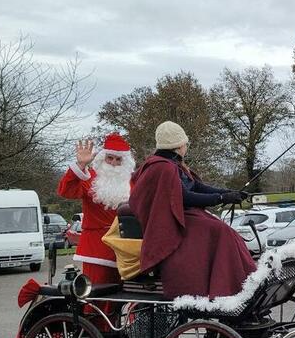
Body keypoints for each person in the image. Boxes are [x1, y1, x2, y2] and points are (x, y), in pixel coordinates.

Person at [129, 121, 256, 299]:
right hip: (173, 221)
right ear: (179, 145)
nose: (186, 146)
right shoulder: (162, 168)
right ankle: (229, 286)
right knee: (221, 231)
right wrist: (220, 199)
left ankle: (245, 280)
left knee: (225, 230)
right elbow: (184, 197)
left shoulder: (173, 165)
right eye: (185, 143)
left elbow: (198, 187)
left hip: (188, 215)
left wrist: (228, 193)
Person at [57, 133, 134, 288]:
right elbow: (66, 191)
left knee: (129, 295)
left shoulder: (132, 183)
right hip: (96, 249)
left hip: (126, 250)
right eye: (110, 158)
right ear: (102, 158)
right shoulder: (90, 179)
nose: (113, 163)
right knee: (96, 295)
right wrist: (80, 166)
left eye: (118, 159)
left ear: (125, 162)